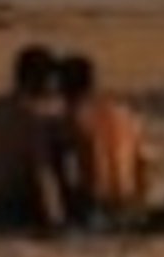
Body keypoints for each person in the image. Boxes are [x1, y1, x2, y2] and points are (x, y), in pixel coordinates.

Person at [0, 42, 68, 233]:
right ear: (41, 79)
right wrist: (56, 222)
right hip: (11, 210)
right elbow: (43, 173)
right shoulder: (32, 119)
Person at [57, 50, 149, 226]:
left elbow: (53, 169)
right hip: (129, 202)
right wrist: (140, 203)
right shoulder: (124, 112)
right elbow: (142, 164)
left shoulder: (73, 116)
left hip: (94, 207)